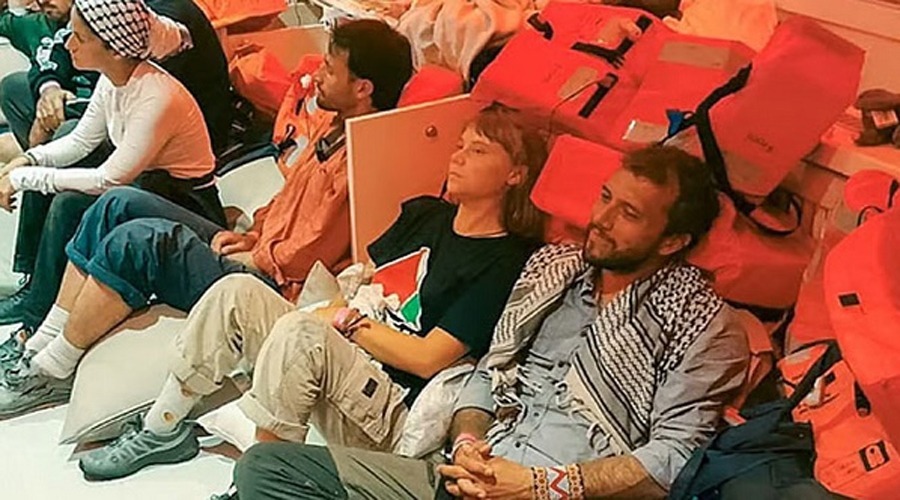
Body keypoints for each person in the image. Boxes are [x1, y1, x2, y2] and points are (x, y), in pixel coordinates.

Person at [231, 145, 751, 500]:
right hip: (465, 476)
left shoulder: (703, 325)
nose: (602, 219)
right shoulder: (555, 273)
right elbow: (488, 372)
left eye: (629, 214)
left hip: (555, 490)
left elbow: (671, 460)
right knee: (265, 470)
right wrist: (467, 443)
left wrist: (539, 486)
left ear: (672, 241)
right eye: (605, 198)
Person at [76, 105, 547, 481]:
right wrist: (335, 313)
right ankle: (161, 428)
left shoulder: (505, 259)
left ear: (515, 175)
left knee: (303, 333)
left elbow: (428, 358)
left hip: (387, 403)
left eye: (478, 151)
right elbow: (364, 283)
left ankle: (260, 484)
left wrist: (342, 324)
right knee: (235, 290)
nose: (457, 157)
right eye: (459, 145)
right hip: (344, 351)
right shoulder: (426, 213)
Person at [0, 19, 414, 420]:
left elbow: (311, 249)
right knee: (117, 204)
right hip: (255, 249)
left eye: (329, 69)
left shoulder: (362, 158)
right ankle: (41, 340)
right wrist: (252, 234)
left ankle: (53, 370)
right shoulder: (331, 127)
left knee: (137, 240)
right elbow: (287, 200)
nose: (316, 75)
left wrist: (257, 256)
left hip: (272, 283)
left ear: (363, 88)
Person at [0, 0, 232, 327]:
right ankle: (37, 293)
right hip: (148, 180)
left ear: (114, 48)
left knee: (70, 199)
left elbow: (107, 180)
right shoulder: (115, 75)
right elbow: (81, 140)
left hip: (185, 200)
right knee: (57, 171)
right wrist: (28, 159)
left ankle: (35, 320)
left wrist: (24, 178)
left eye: (79, 38)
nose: (69, 43)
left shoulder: (157, 92)